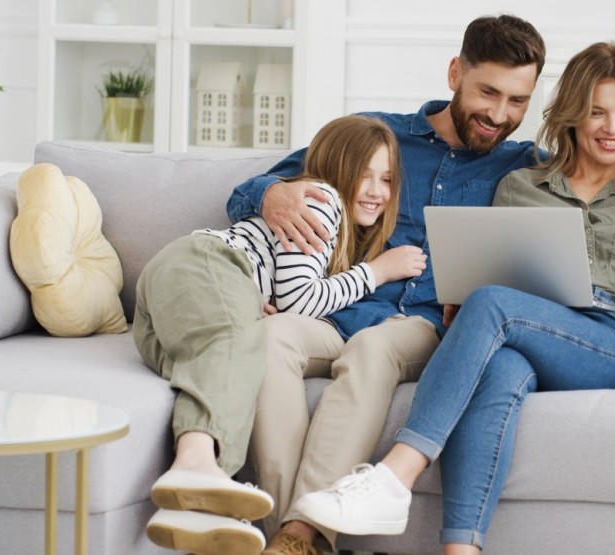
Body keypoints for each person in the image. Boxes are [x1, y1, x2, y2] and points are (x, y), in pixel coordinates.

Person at [291, 42, 615, 555]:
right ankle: (461, 546)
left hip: (609, 341)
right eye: (597, 112)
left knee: (493, 304)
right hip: (527, 326)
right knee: (499, 367)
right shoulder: (521, 184)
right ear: (572, 113)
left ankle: (394, 475)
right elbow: (490, 264)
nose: (612, 128)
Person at [226, 15, 549, 555]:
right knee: (272, 336)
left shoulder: (529, 166)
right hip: (335, 306)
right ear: (455, 74)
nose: (499, 115)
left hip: (421, 325)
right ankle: (297, 536)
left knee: (374, 349)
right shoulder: (377, 133)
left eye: (517, 101)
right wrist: (269, 194)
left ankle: (303, 532)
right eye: (488, 92)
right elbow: (249, 193)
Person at [134, 115, 427, 555]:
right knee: (238, 339)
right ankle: (196, 463)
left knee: (223, 361)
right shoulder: (321, 200)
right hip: (209, 262)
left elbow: (287, 295)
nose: (376, 191)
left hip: (170, 301)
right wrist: (377, 272)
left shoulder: (337, 225)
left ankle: (230, 517)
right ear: (337, 171)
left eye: (386, 179)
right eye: (364, 175)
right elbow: (299, 302)